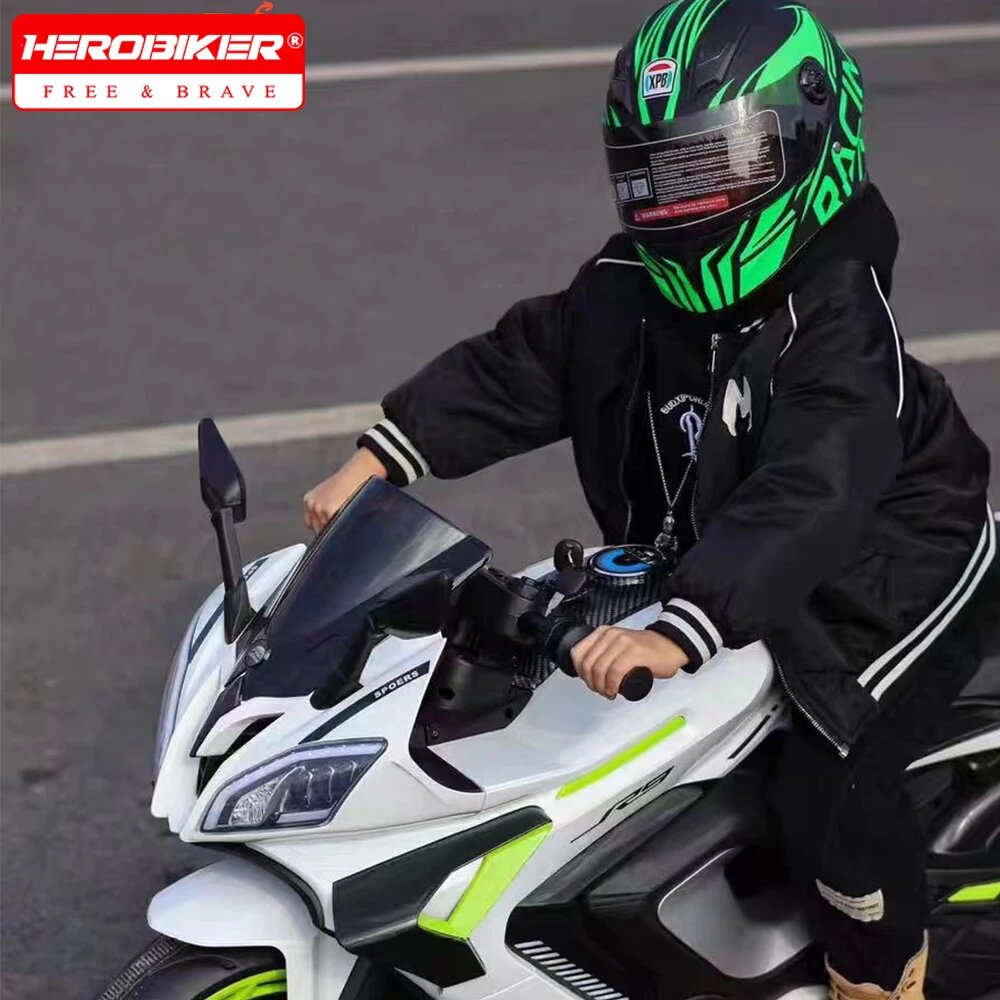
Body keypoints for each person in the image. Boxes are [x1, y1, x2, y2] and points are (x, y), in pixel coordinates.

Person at [303, 1, 996, 995]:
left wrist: (687, 623)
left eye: (716, 167)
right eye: (657, 175)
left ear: (812, 140)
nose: (684, 201)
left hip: (884, 566)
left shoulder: (835, 322)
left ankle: (878, 970)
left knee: (831, 777)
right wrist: (383, 454)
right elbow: (524, 361)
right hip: (725, 552)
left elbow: (810, 492)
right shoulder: (628, 283)